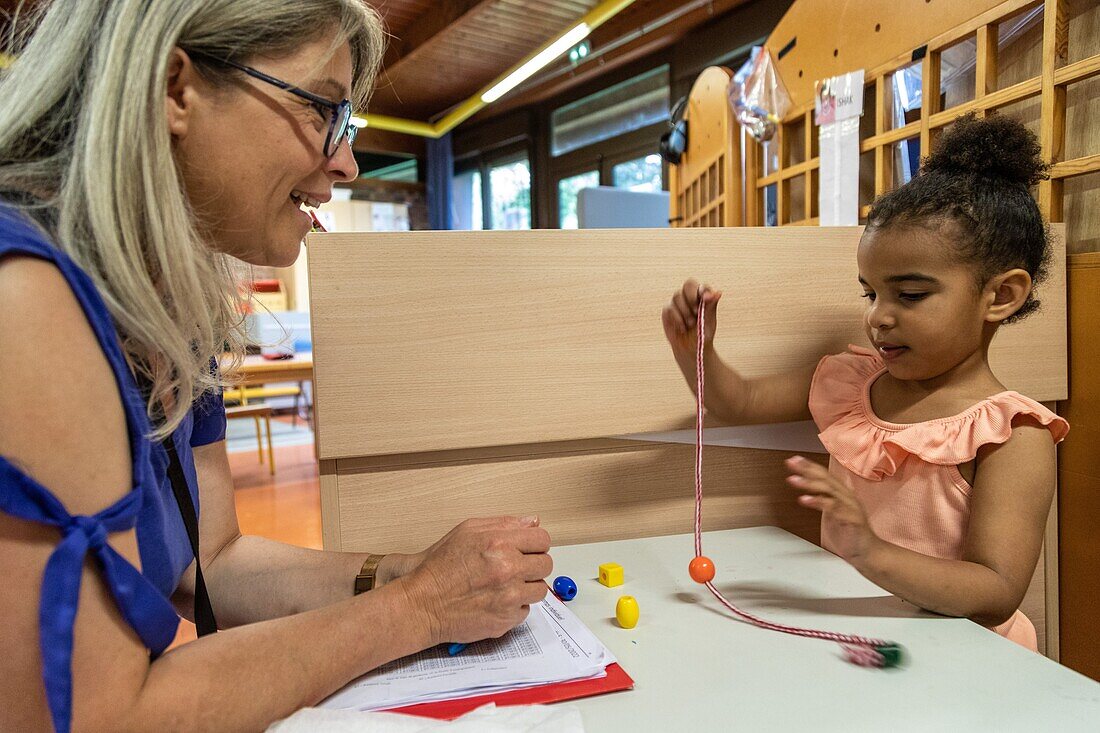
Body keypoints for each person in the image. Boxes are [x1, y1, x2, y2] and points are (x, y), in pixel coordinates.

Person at [0, 2, 551, 731]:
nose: (346, 161)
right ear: (174, 89)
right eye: (325, 108)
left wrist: (405, 572)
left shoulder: (165, 310)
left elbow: (214, 561)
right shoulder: (24, 297)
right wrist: (415, 607)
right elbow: (97, 716)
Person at [662, 113, 1066, 651]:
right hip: (861, 637)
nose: (878, 316)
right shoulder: (853, 384)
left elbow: (996, 591)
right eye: (870, 293)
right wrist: (697, 351)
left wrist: (870, 551)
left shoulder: (1013, 434)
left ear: (1001, 296)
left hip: (968, 660)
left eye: (911, 295)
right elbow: (738, 403)